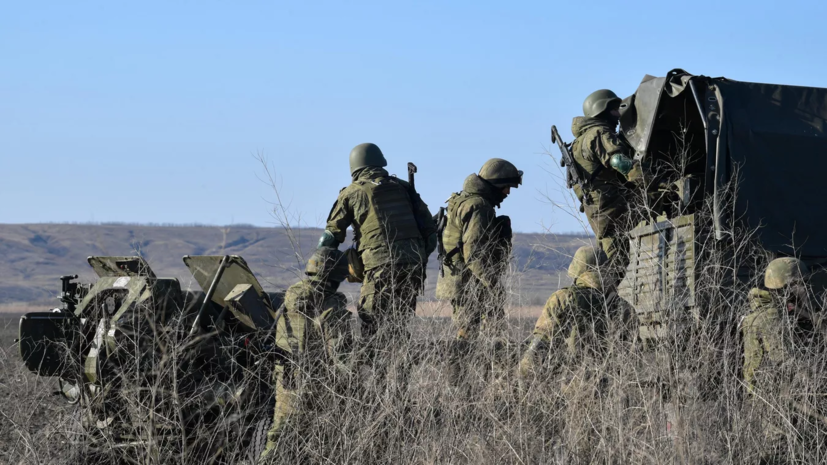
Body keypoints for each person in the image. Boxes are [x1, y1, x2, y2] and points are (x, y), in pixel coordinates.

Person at [318, 142, 436, 358]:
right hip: (413, 268)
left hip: (379, 268)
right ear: (380, 162)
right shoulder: (403, 187)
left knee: (371, 324)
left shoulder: (352, 192)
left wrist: (318, 274)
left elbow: (331, 237)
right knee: (398, 326)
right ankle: (399, 378)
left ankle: (375, 382)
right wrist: (417, 256)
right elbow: (430, 231)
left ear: (355, 167)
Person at [259, 247, 353, 462]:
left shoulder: (291, 297)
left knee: (280, 435)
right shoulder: (330, 305)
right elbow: (341, 356)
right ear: (336, 275)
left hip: (287, 378)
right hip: (317, 383)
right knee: (321, 443)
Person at [740, 257, 827, 460]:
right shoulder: (771, 317)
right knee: (779, 451)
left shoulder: (767, 310)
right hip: (772, 397)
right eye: (800, 283)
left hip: (771, 393)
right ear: (786, 286)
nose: (804, 287)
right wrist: (815, 374)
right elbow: (785, 360)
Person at [436, 158, 522, 341]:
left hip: (462, 278)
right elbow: (474, 254)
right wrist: (492, 284)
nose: (507, 192)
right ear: (493, 185)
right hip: (470, 282)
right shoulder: (479, 207)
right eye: (505, 186)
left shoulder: (463, 200)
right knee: (473, 336)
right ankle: (465, 369)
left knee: (470, 331)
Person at [570, 89, 646, 280]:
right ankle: (604, 306)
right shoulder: (599, 133)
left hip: (600, 210)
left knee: (610, 262)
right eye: (613, 109)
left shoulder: (580, 141)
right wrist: (648, 181)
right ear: (601, 111)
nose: (618, 115)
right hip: (611, 208)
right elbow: (618, 162)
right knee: (615, 267)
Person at [518, 246, 627, 376]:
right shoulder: (624, 307)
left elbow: (538, 348)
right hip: (612, 385)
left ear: (577, 270)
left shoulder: (563, 298)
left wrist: (522, 381)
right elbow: (631, 357)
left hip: (568, 383)